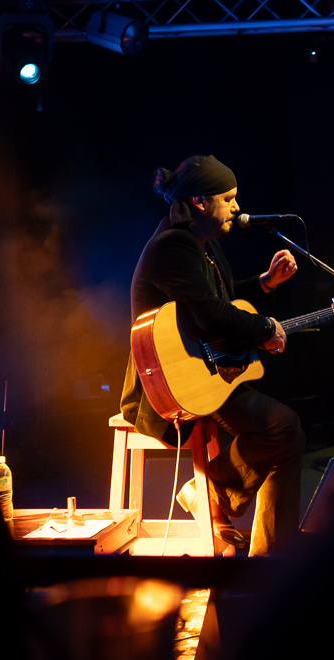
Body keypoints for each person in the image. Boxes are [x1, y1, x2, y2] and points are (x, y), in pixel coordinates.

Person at [119, 155, 304, 556]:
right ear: (200, 202)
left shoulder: (201, 243)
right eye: (228, 198)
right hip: (171, 381)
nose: (237, 208)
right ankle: (215, 494)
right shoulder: (172, 246)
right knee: (282, 428)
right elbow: (212, 314)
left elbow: (222, 299)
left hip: (204, 369)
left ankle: (272, 555)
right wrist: (265, 330)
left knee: (286, 433)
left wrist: (266, 283)